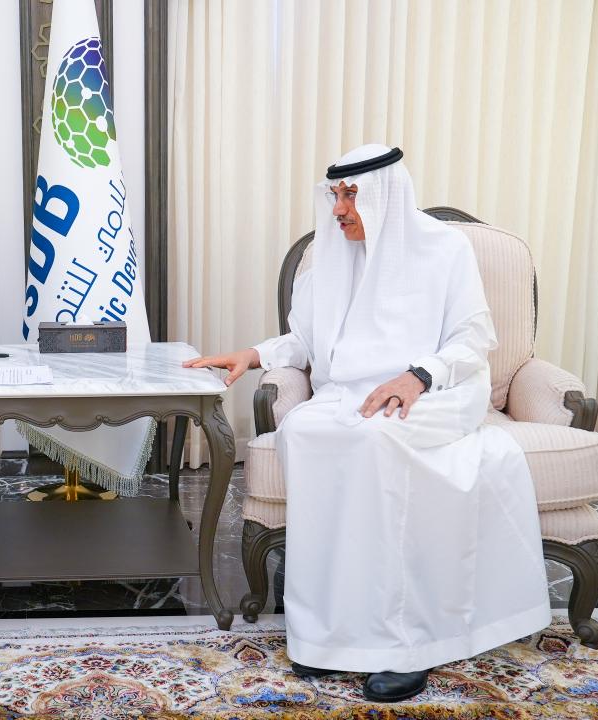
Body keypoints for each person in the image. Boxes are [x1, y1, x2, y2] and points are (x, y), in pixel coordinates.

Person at [185, 144, 550, 702]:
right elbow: (305, 342)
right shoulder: (329, 260)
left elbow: (473, 339)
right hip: (351, 395)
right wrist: (252, 355)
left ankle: (405, 644)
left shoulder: (444, 249)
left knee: (380, 442)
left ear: (385, 195)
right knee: (304, 432)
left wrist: (417, 377)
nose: (339, 209)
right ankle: (329, 636)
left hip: (436, 391)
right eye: (335, 195)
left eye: (352, 195)